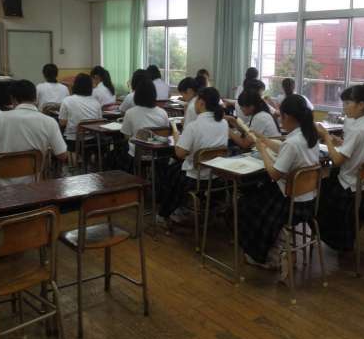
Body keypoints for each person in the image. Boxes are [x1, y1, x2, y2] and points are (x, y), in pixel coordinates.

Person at [237, 94, 320, 271]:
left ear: (287, 116)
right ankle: (269, 248)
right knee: (256, 196)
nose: (280, 120)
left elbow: (274, 174)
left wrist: (262, 151)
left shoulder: (293, 142)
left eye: (281, 116)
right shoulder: (309, 136)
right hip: (308, 200)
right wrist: (265, 141)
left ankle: (265, 255)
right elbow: (285, 149)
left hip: (289, 203)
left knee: (246, 204)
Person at [317, 85, 364, 251]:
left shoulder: (357, 129)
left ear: (361, 105)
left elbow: (337, 161)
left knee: (317, 192)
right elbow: (359, 149)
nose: (344, 107)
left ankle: (336, 239)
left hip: (350, 187)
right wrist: (341, 142)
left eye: (348, 103)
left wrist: (326, 137)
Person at [158, 87, 228, 220]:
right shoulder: (224, 123)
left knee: (170, 172)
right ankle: (184, 207)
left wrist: (176, 136)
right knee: (174, 170)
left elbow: (179, 153)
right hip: (216, 176)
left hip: (196, 178)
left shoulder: (194, 126)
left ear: (201, 103)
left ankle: (166, 212)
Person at [0, 80, 67, 184]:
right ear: (35, 98)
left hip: (1, 185)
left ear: (13, 99)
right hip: (34, 185)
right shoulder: (49, 122)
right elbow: (62, 155)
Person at [121, 78, 169, 163]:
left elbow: (127, 135)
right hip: (158, 154)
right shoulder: (163, 112)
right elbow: (165, 133)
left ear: (137, 95)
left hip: (137, 154)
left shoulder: (130, 112)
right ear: (154, 95)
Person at [59, 73, 102, 151]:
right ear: (90, 87)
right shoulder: (96, 102)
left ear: (75, 85)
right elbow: (99, 122)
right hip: (92, 141)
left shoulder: (67, 100)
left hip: (73, 141)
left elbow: (62, 123)